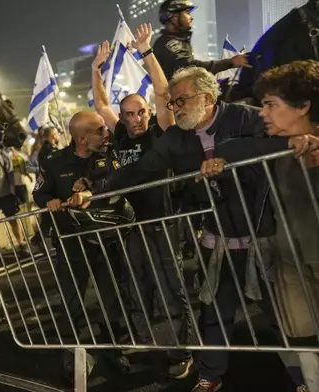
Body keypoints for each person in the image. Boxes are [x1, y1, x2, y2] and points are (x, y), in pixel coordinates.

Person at [104, 65, 319, 392]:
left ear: (205, 97)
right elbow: (142, 170)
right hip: (217, 238)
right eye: (172, 103)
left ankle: (302, 378)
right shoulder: (176, 137)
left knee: (284, 316)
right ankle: (210, 376)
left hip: (266, 235)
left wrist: (284, 146)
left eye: (181, 101)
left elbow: (257, 146)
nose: (175, 109)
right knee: (215, 312)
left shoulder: (246, 118)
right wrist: (97, 189)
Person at [199, 60, 319, 392]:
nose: (262, 113)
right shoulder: (271, 146)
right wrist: (287, 145)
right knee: (301, 335)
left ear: (303, 105)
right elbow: (230, 149)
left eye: (270, 104)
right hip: (287, 261)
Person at [90, 23, 192, 379]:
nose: (134, 119)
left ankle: (181, 350)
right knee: (138, 284)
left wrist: (147, 51)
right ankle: (152, 343)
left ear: (149, 114)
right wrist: (95, 70)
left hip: (162, 223)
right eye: (129, 114)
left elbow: (163, 94)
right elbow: (101, 103)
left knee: (170, 284)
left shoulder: (158, 133)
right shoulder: (120, 133)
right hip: (132, 226)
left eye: (140, 113)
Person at [33, 110, 131, 384]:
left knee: (112, 299)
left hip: (106, 240)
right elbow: (39, 193)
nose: (106, 134)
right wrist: (48, 202)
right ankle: (71, 351)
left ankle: (113, 348)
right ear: (81, 138)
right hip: (71, 243)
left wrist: (89, 187)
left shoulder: (109, 156)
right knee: (71, 300)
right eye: (99, 130)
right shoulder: (54, 162)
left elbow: (120, 182)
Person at [153, 0, 250, 81]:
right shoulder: (170, 44)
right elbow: (191, 69)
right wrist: (231, 62)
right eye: (187, 13)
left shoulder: (176, 40)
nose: (192, 17)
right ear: (174, 17)